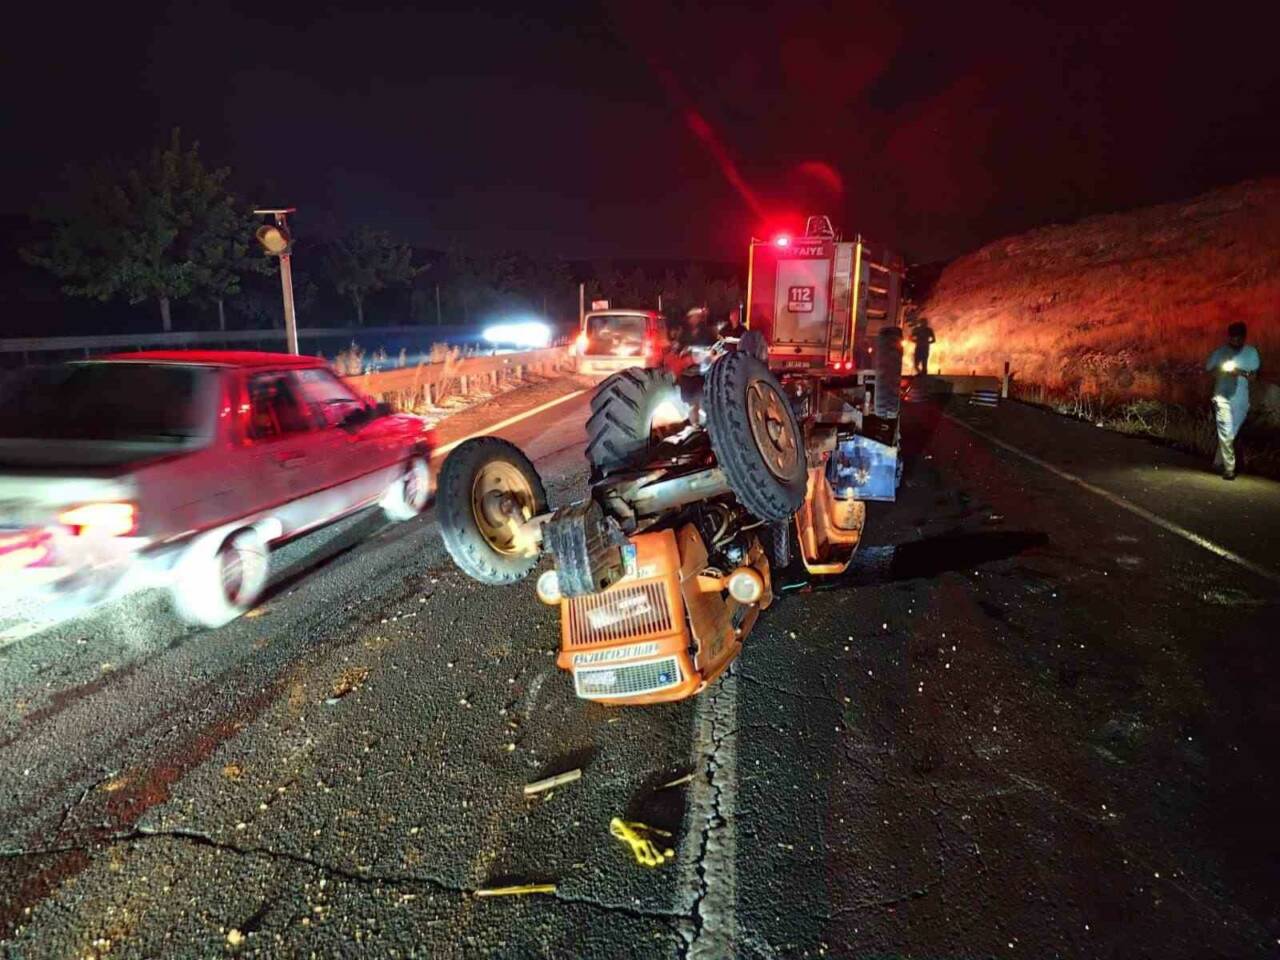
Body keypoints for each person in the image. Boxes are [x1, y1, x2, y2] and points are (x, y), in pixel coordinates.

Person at [1204, 321, 1261, 480]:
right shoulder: (1220, 352)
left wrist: (1240, 372)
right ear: (1229, 337)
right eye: (1233, 337)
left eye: (1239, 338)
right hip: (1222, 396)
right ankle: (1229, 469)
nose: (1235, 340)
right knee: (1226, 431)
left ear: (1244, 337)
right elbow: (1209, 368)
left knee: (1231, 432)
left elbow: (1254, 377)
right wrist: (1220, 371)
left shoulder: (1251, 353)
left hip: (1241, 399)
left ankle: (1217, 461)